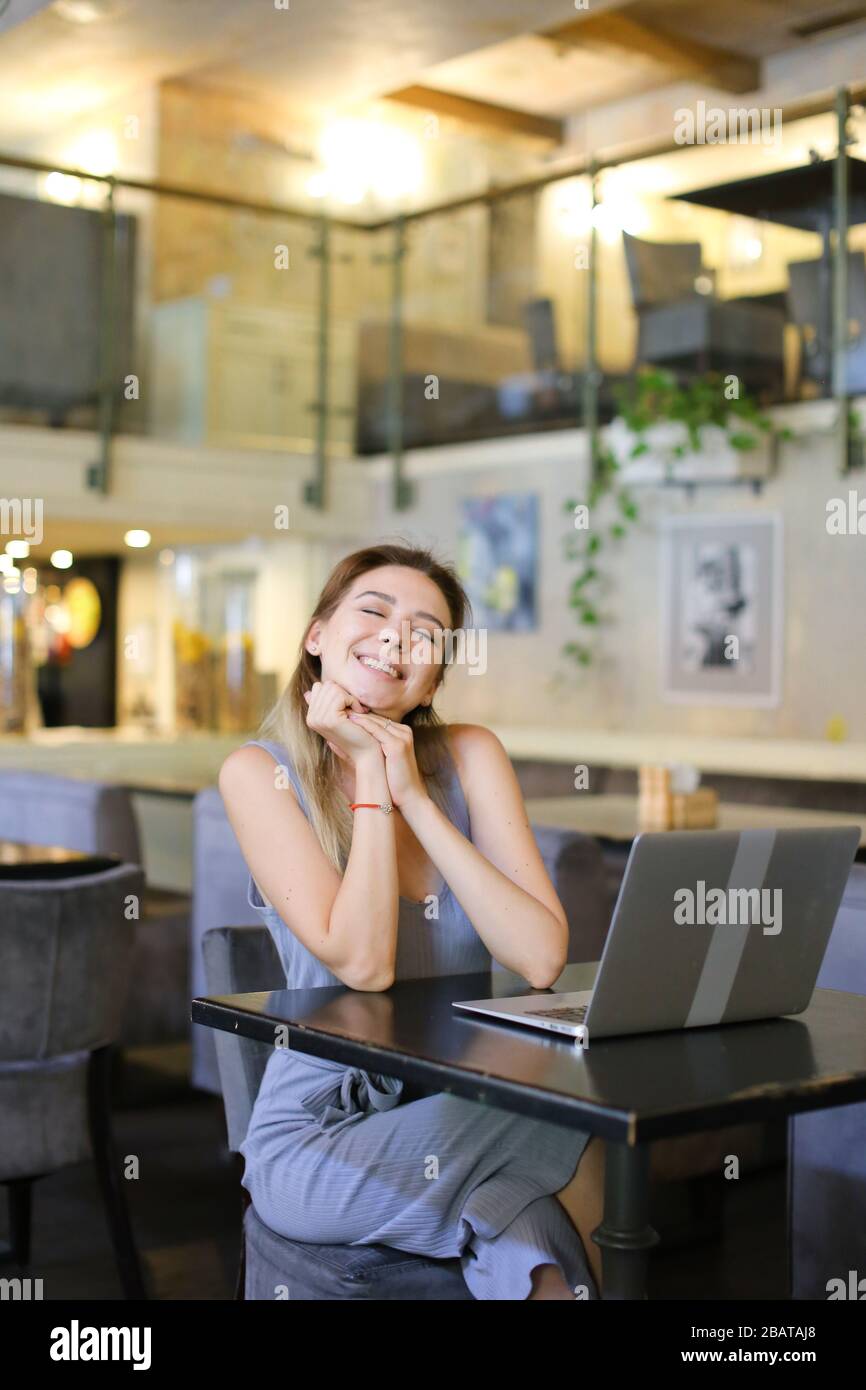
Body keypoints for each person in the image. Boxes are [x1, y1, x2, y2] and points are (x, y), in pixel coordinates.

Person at [219, 541, 608, 1300]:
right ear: (317, 635)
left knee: (539, 1252)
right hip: (319, 1141)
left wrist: (417, 799)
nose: (398, 637)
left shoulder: (469, 754)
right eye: (374, 612)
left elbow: (538, 959)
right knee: (581, 1121)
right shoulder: (258, 773)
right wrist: (368, 775)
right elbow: (364, 965)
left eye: (426, 632)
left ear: (435, 674)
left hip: (462, 1109)